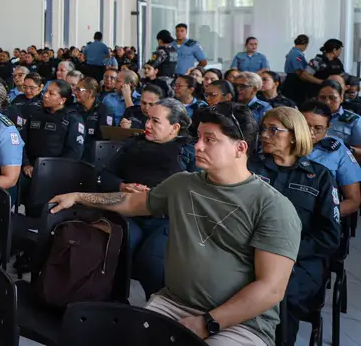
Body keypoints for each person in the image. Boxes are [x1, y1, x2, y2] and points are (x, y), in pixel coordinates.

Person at [50, 102, 302, 346]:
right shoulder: (183, 184)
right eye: (199, 137)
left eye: (210, 139)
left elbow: (270, 289)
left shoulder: (273, 207)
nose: (198, 146)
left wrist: (207, 323)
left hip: (240, 322)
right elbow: (130, 202)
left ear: (240, 148)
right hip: (172, 303)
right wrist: (79, 197)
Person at [247, 107, 340, 346]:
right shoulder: (251, 169)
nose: (265, 135)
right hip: (250, 252)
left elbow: (329, 236)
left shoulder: (319, 176)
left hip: (300, 260)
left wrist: (283, 252)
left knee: (280, 295)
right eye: (263, 129)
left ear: (293, 134)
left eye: (273, 129)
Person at [99, 99, 197, 298]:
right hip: (129, 211)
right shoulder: (133, 143)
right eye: (147, 119)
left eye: (155, 121)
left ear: (174, 127)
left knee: (152, 261)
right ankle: (115, 302)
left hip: (166, 218)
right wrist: (122, 186)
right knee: (120, 248)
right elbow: (103, 175)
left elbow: (198, 191)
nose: (147, 125)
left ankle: (156, 309)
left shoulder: (189, 151)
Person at [301, 100, 361, 217]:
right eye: (305, 126)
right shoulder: (283, 142)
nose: (310, 133)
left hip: (320, 216)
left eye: (318, 128)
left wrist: (324, 216)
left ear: (328, 127)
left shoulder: (337, 149)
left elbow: (353, 201)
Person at [21, 80, 85, 178]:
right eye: (45, 92)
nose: (45, 96)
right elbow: (21, 142)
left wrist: (54, 169)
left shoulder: (72, 119)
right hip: (29, 168)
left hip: (57, 172)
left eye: (51, 94)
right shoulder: (34, 114)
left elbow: (74, 152)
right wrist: (26, 164)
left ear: (62, 100)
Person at [316, 80, 361, 159]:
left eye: (332, 98)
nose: (327, 102)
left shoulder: (354, 120)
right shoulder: (310, 117)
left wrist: (346, 149)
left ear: (341, 98)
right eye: (322, 98)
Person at [74, 77, 112, 163]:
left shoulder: (104, 111)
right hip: (75, 151)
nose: (75, 93)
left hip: (93, 155)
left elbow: (104, 139)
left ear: (90, 92)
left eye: (79, 90)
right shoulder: (73, 108)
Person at [282, 35, 309, 104]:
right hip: (295, 82)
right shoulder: (297, 54)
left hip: (292, 80)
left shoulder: (293, 52)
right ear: (305, 44)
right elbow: (298, 71)